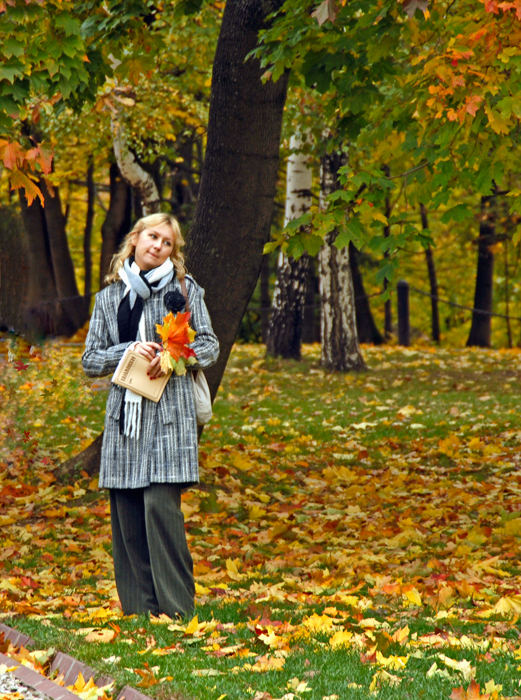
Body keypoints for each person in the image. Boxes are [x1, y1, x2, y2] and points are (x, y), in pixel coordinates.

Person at [82, 213, 219, 619]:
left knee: (161, 509)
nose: (158, 245)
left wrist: (174, 354)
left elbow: (209, 345)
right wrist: (125, 351)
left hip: (170, 419)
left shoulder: (185, 290)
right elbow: (90, 360)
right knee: (127, 516)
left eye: (167, 243)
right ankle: (140, 612)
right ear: (136, 239)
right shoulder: (109, 298)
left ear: (172, 254)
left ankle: (177, 612)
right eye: (152, 236)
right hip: (126, 421)